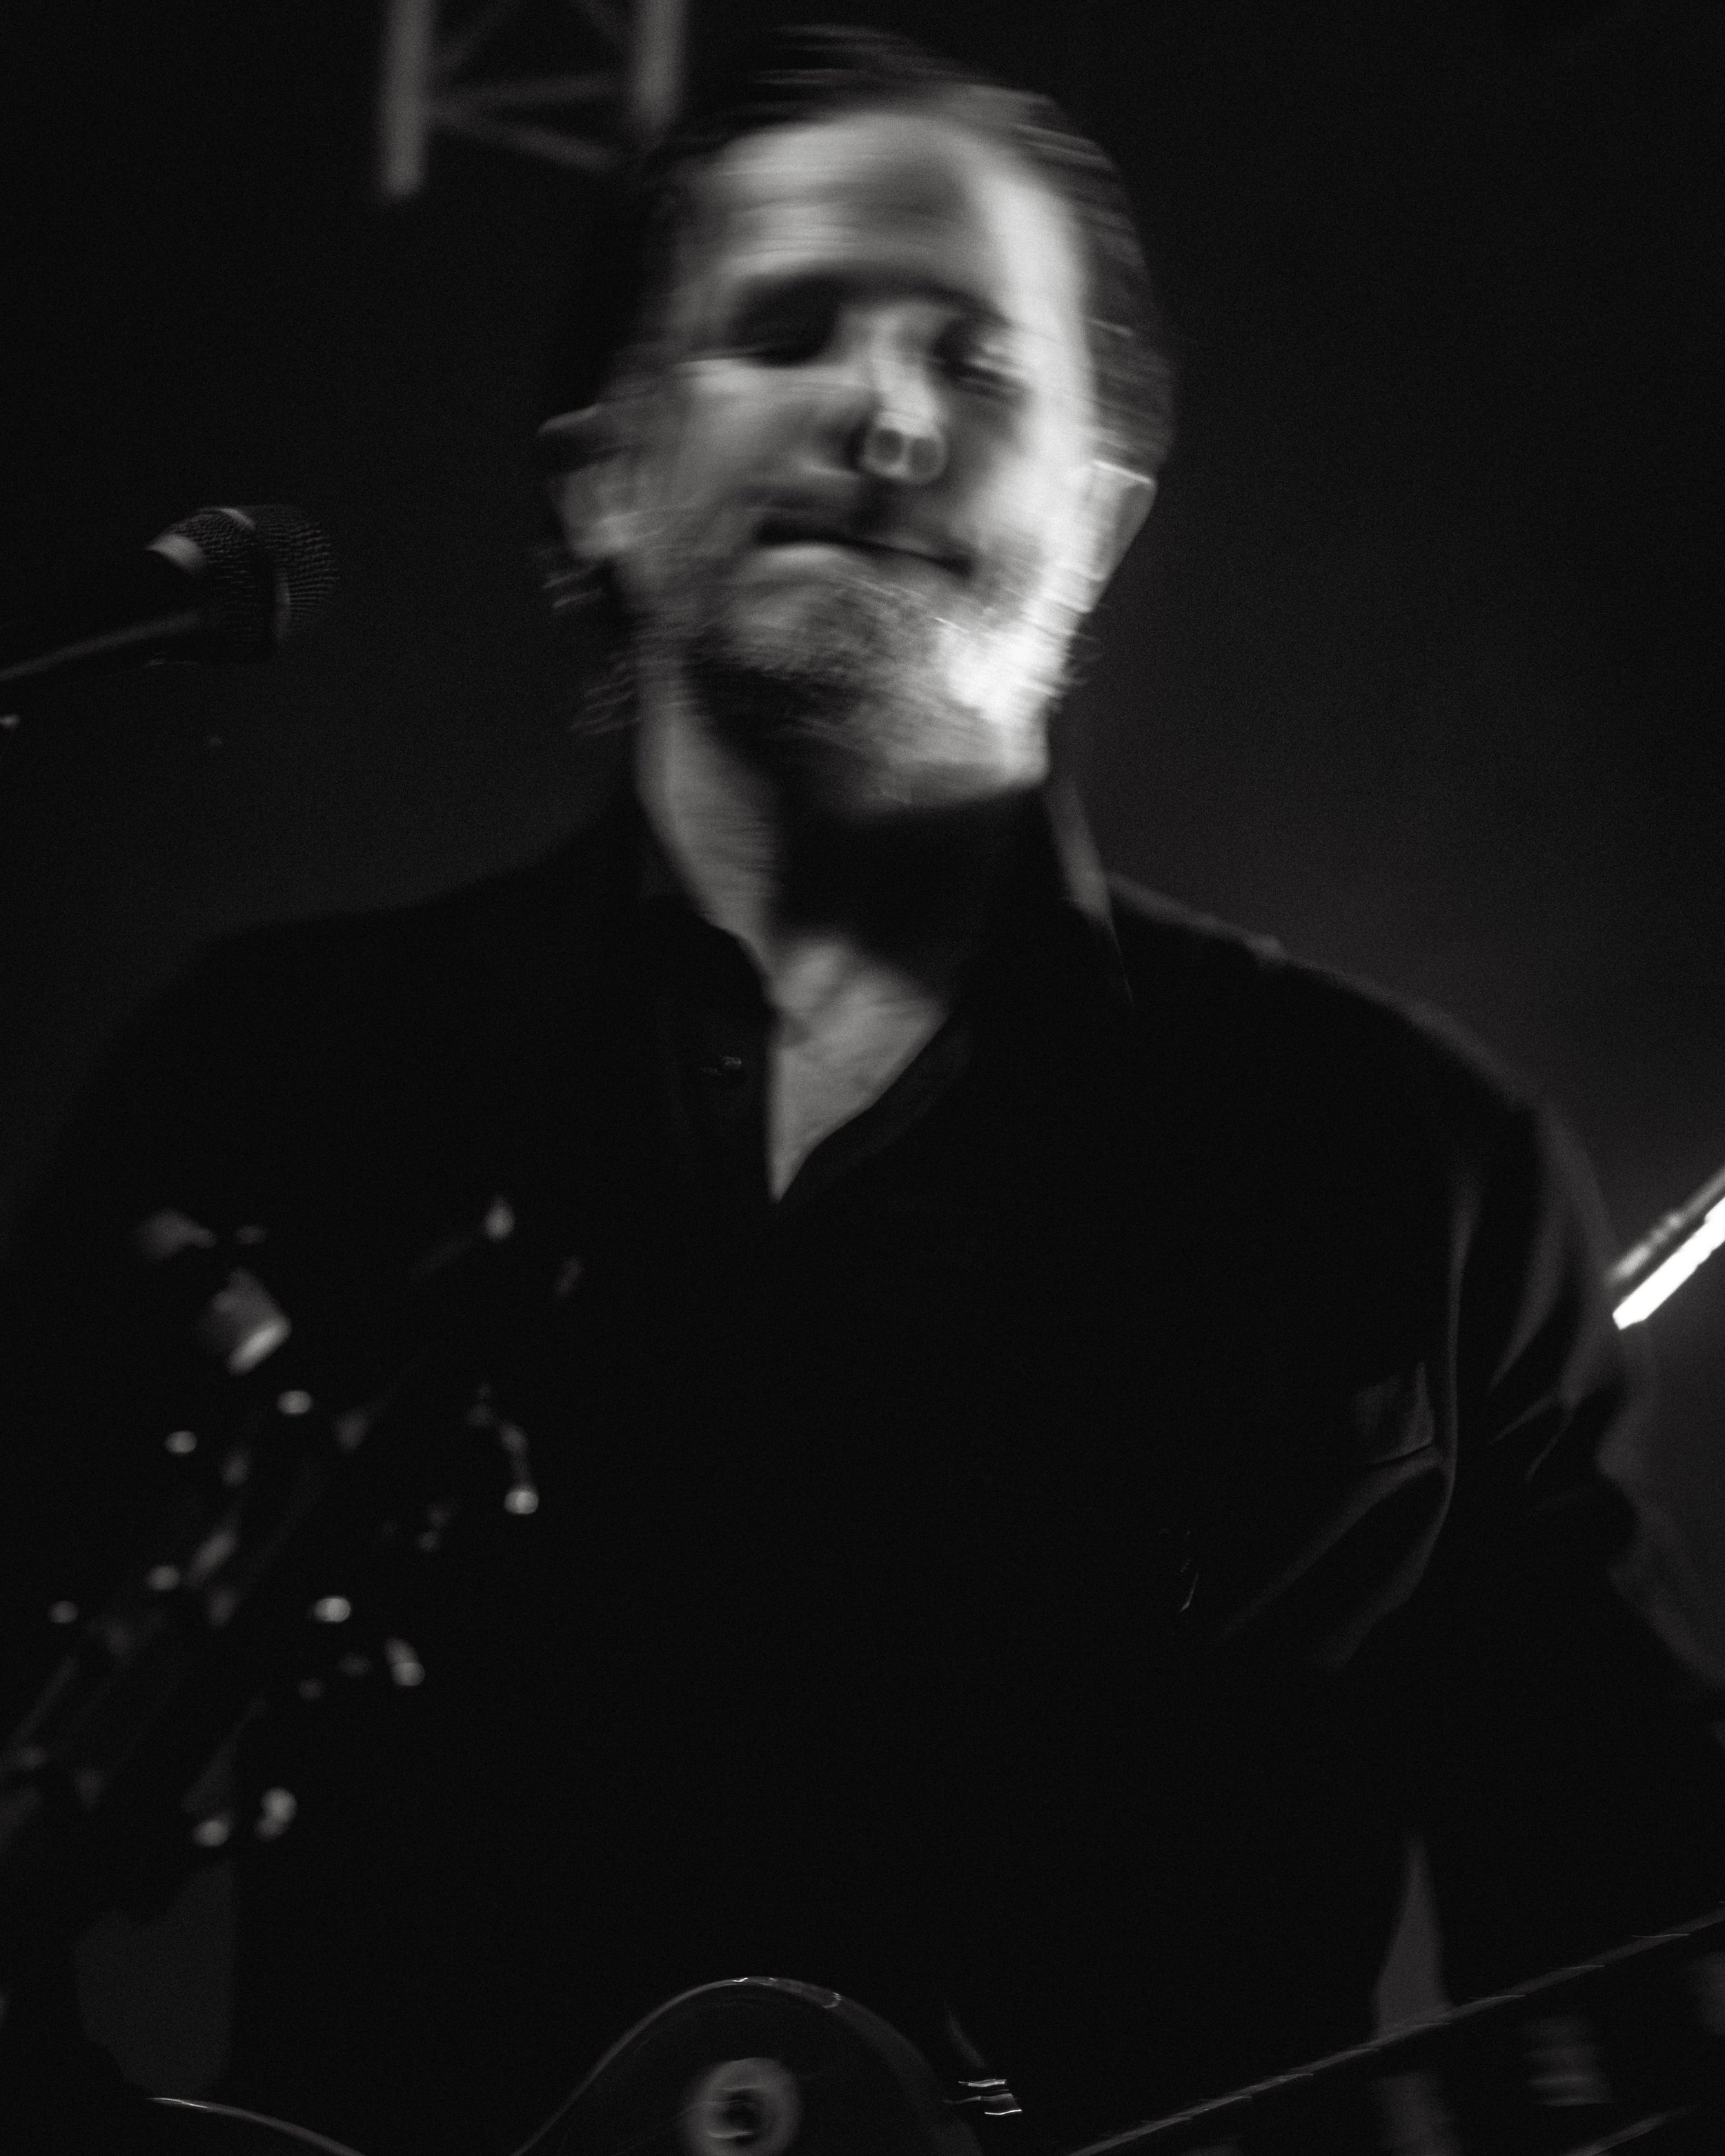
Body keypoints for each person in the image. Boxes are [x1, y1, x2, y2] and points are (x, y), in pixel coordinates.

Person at [3, 25, 1723, 2156]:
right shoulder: (271, 1079)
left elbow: (1627, 1988)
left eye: (976, 361)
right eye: (789, 329)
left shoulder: (1416, 1167)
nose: (884, 412)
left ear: (1096, 523)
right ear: (601, 475)